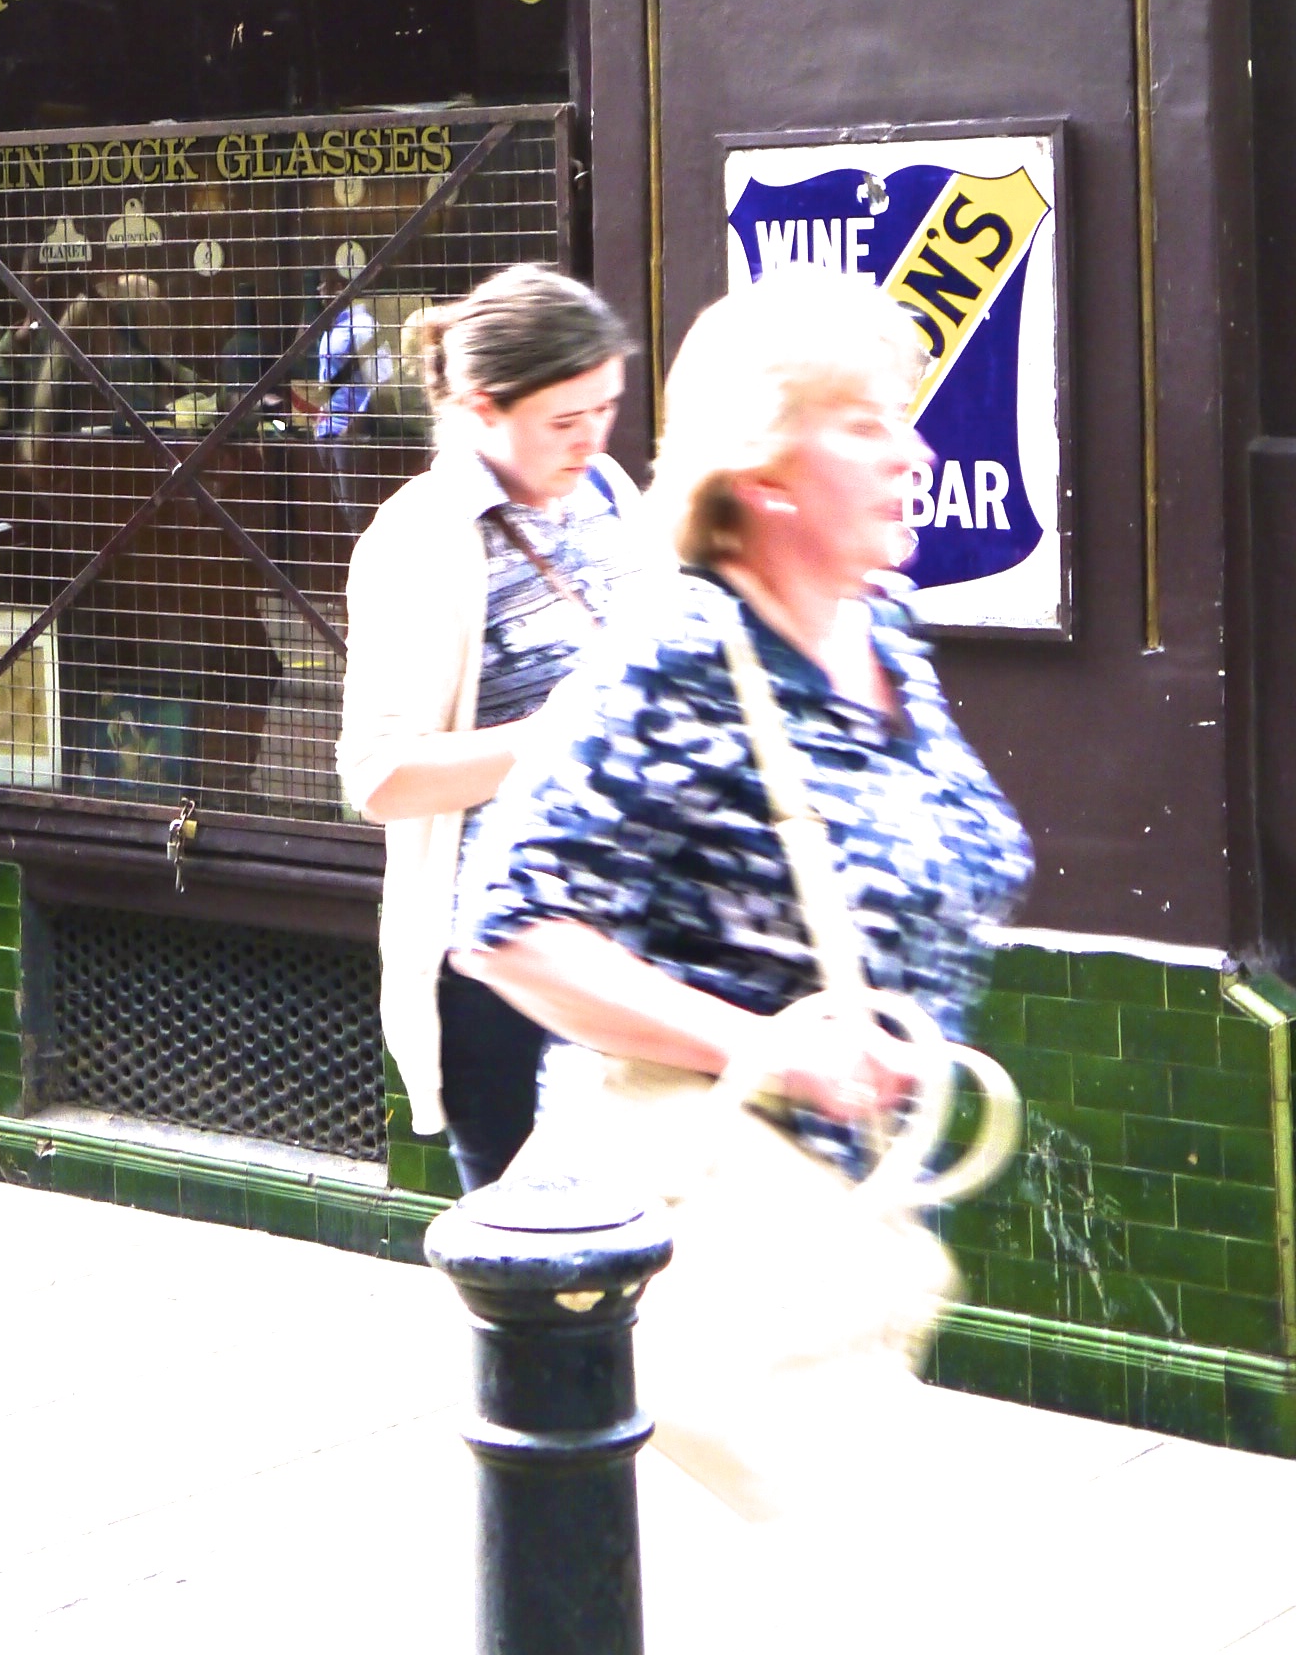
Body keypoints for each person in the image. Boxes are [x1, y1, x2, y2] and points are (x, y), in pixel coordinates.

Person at [450, 267, 1033, 1516]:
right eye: (866, 427)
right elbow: (508, 929)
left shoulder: (884, 629)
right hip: (710, 1248)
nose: (913, 455)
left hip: (843, 1236)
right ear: (766, 474)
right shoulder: (680, 650)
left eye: (903, 421)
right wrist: (769, 1048)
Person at [335, 264, 651, 1192]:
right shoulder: (420, 537)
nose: (593, 437)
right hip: (500, 968)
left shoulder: (606, 490)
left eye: (606, 408)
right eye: (564, 419)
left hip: (634, 938)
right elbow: (377, 777)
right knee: (537, 1251)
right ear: (482, 408)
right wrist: (553, 738)